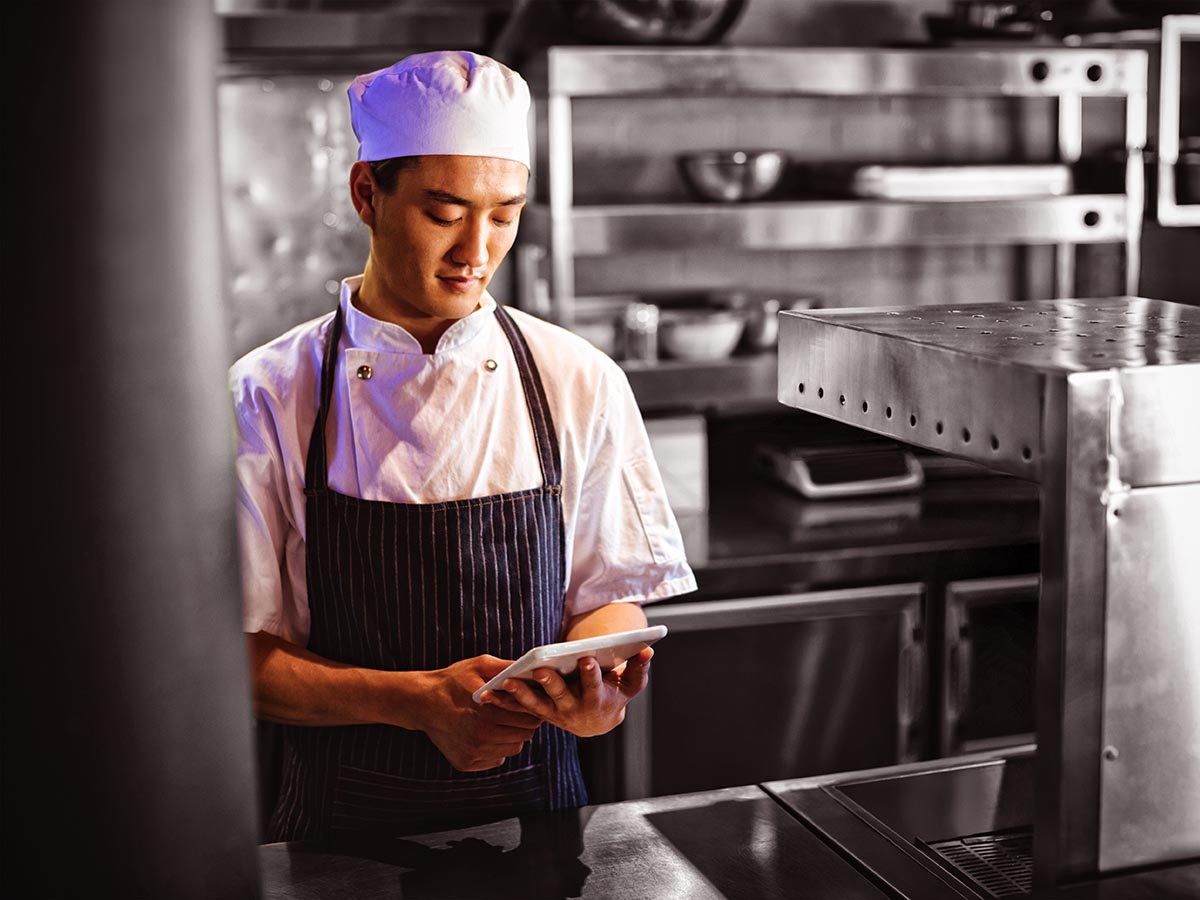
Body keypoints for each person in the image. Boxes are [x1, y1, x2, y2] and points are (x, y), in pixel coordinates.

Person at [229, 50, 697, 843]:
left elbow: (606, 595)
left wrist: (596, 685)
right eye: (444, 212)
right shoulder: (269, 393)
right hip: (338, 840)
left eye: (503, 214)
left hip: (541, 828)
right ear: (367, 194)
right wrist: (414, 703)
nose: (475, 251)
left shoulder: (575, 378)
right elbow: (236, 658)